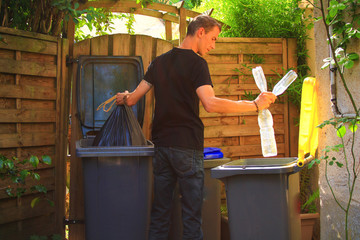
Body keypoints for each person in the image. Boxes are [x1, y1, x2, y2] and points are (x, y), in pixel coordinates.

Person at [116, 15, 276, 240]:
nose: (213, 45)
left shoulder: (158, 62)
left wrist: (123, 97)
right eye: (213, 38)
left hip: (161, 148)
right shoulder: (197, 64)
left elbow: (132, 99)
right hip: (186, 149)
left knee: (160, 214)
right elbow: (210, 104)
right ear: (200, 32)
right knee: (191, 217)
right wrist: (254, 105)